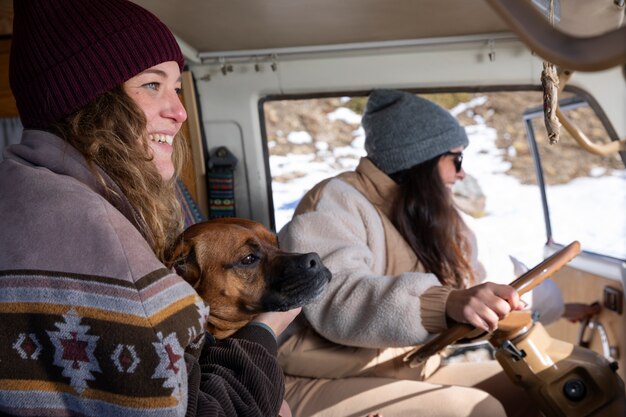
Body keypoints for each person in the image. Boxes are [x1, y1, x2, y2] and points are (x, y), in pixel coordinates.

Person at [0, 1, 298, 416]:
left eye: (176, 88)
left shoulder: (26, 187)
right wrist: (265, 331)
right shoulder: (97, 236)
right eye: (152, 85)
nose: (179, 112)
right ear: (92, 102)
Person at [277, 89, 547, 417]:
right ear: (421, 159)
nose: (462, 174)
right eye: (457, 159)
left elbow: (472, 276)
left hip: (406, 367)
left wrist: (513, 301)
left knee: (544, 385)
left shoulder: (432, 213)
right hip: (312, 380)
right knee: (479, 411)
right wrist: (445, 304)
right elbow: (337, 299)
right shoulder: (334, 202)